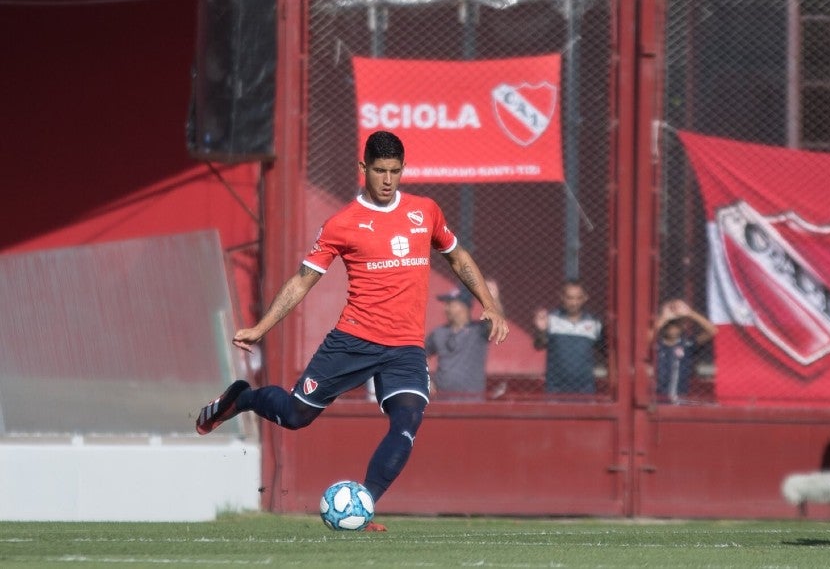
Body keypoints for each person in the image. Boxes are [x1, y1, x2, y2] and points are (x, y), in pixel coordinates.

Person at [195, 131, 508, 531]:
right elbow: (302, 280)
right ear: (363, 168)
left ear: (403, 169)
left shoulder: (425, 211)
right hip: (353, 340)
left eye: (395, 171)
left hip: (405, 347)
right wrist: (262, 326)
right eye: (380, 171)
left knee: (408, 419)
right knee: (294, 415)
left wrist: (491, 304)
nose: (388, 179)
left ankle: (362, 505)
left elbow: (457, 256)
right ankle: (244, 398)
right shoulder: (342, 224)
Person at [425, 278, 501, 399]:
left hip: (472, 400)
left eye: (451, 304)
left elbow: (496, 323)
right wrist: (426, 379)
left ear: (464, 306)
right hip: (443, 399)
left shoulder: (478, 331)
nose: (446, 308)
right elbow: (420, 354)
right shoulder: (439, 333)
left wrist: (493, 300)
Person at [532, 279, 602, 394]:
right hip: (555, 388)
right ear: (562, 297)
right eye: (570, 298)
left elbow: (605, 351)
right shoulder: (552, 320)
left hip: (585, 390)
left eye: (578, 298)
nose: (574, 302)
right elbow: (539, 345)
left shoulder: (594, 323)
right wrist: (541, 331)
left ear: (585, 298)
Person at [653, 299, 717, 403]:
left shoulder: (686, 344)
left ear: (682, 327)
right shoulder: (657, 345)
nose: (672, 328)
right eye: (670, 324)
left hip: (680, 400)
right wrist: (663, 318)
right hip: (657, 401)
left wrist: (690, 313)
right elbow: (644, 340)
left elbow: (712, 331)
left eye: (676, 325)